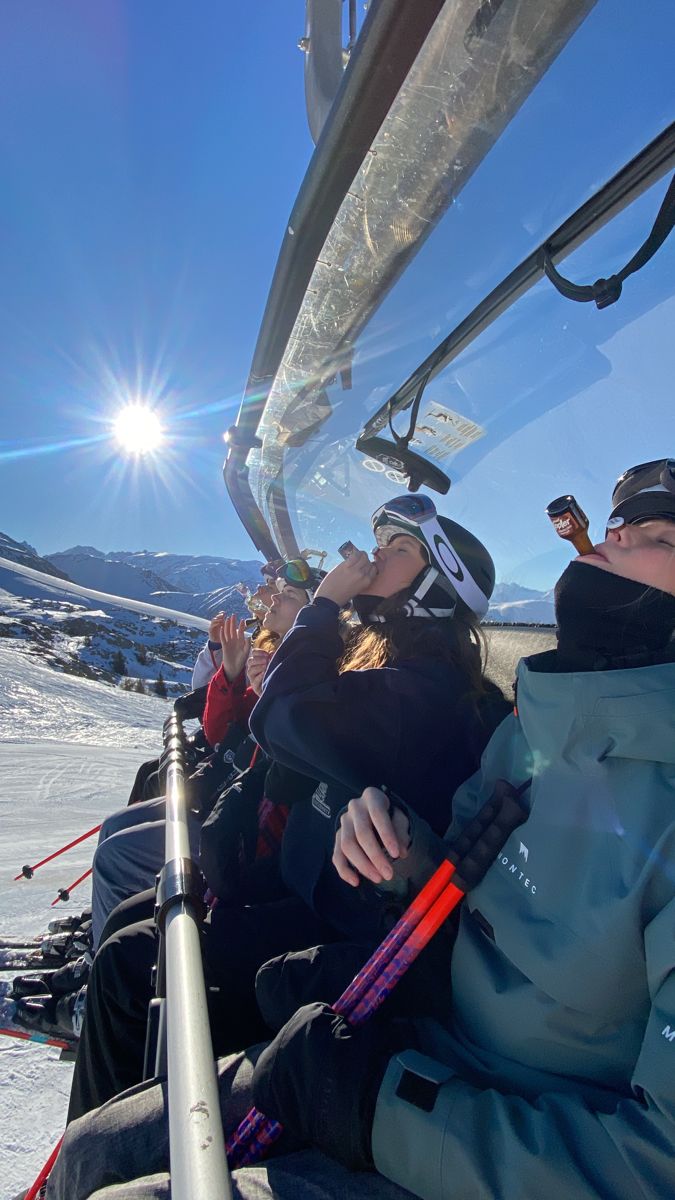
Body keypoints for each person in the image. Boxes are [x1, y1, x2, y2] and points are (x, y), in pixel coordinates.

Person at [46, 461, 675, 1200]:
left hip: (500, 1122)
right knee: (94, 1152)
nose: (618, 536)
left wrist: (376, 1105)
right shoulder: (537, 729)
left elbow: (651, 1164)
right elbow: (470, 887)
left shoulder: (437, 694)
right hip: (428, 1038)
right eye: (619, 525)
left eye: (659, 535)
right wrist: (405, 858)